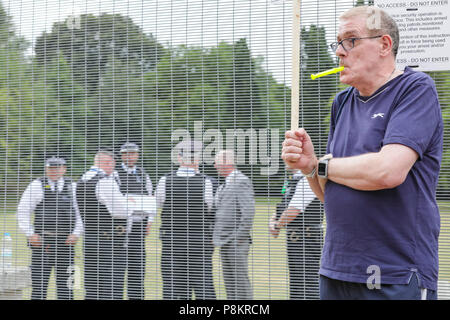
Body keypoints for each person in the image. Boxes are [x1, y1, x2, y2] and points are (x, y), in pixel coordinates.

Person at [281, 5, 443, 300]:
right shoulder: (341, 102)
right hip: (336, 269)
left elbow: (388, 171)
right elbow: (329, 192)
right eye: (337, 43)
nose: (340, 52)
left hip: (395, 272)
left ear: (384, 44)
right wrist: (308, 167)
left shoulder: (415, 89)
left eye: (350, 40)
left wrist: (322, 165)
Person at [155, 140, 217, 300]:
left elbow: (156, 205)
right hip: (200, 241)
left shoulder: (164, 181)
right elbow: (211, 210)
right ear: (198, 159)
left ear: (179, 158)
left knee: (173, 286)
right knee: (203, 285)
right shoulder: (208, 183)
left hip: (172, 241)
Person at [17, 156, 83, 300]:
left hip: (66, 243)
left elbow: (81, 213)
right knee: (38, 285)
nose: (53, 171)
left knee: (67, 286)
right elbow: (22, 211)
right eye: (50, 168)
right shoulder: (35, 185)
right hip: (42, 242)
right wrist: (30, 234)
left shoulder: (73, 186)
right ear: (46, 169)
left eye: (57, 168)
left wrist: (76, 234)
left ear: (64, 169)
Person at [76, 150, 131, 300]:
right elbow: (121, 211)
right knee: (112, 286)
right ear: (109, 163)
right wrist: (131, 205)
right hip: (110, 242)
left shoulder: (81, 180)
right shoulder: (105, 181)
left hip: (90, 240)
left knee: (93, 286)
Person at [269, 169, 323, 299]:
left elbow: (294, 210)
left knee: (307, 281)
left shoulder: (307, 179)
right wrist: (273, 219)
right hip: (296, 238)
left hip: (307, 238)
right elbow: (284, 205)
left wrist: (277, 225)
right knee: (297, 281)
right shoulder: (292, 180)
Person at [213, 150, 255, 300]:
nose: (214, 165)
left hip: (235, 241)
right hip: (224, 241)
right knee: (230, 282)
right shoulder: (224, 184)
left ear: (226, 163)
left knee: (240, 282)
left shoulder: (241, 181)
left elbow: (248, 212)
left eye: (216, 162)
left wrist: (239, 237)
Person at [117, 142, 156, 300]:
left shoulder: (143, 174)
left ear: (138, 155)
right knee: (118, 268)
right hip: (120, 227)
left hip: (139, 226)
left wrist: (150, 220)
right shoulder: (114, 173)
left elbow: (150, 197)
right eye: (126, 153)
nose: (130, 156)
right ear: (121, 155)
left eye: (133, 153)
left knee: (138, 268)